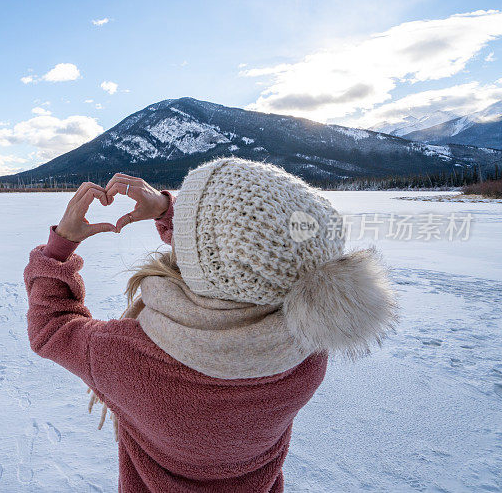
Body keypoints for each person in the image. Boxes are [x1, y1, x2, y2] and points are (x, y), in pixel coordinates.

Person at [23, 158, 398, 492]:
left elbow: (51, 328)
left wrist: (60, 248)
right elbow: (241, 260)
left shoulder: (125, 355)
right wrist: (170, 212)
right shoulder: (307, 354)